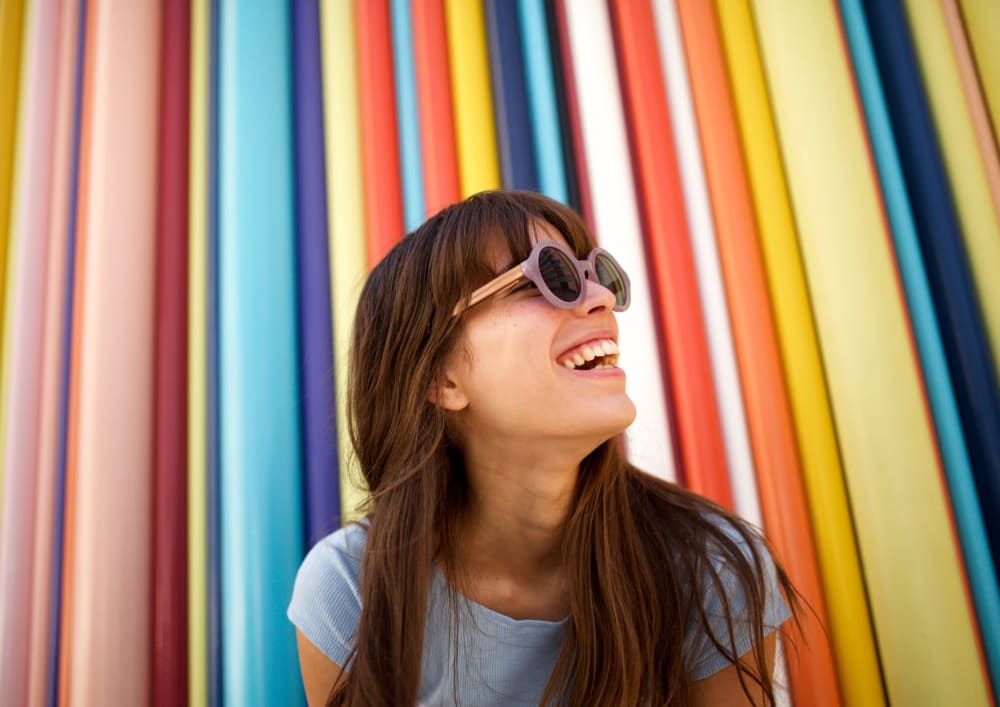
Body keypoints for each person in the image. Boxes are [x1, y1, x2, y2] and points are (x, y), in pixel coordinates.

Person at [288, 190, 797, 706]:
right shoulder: (348, 591)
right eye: (547, 279)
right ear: (441, 378)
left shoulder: (709, 567)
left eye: (598, 275)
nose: (599, 298)